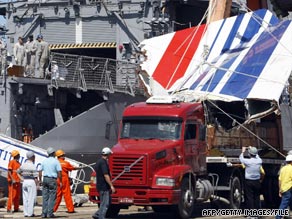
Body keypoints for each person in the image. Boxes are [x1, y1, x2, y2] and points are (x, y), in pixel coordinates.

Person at [53, 149, 82, 213]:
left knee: (58, 195)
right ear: (61, 156)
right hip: (64, 180)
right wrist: (78, 168)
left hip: (57, 180)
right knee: (67, 195)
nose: (64, 156)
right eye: (63, 155)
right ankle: (70, 209)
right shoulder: (65, 163)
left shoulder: (55, 162)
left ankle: (53, 209)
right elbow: (72, 168)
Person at [92, 147, 115, 219]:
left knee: (103, 203)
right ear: (108, 154)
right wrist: (111, 186)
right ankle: (101, 217)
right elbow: (105, 175)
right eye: (109, 155)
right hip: (104, 186)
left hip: (99, 186)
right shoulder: (103, 163)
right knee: (105, 204)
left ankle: (97, 214)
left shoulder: (98, 162)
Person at [239, 146, 262, 219]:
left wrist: (243, 151)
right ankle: (257, 214)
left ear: (249, 154)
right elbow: (257, 156)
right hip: (257, 181)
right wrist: (252, 149)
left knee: (250, 198)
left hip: (249, 181)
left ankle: (251, 215)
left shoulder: (248, 161)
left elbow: (241, 158)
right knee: (256, 197)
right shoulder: (259, 161)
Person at [39, 147, 62, 218]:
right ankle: (50, 213)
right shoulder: (56, 161)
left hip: (45, 179)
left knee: (45, 197)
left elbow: (40, 171)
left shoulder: (44, 161)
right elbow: (59, 172)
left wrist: (40, 180)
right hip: (52, 179)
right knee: (52, 197)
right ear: (53, 153)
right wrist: (60, 181)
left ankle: (44, 213)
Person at [17, 151, 39, 217]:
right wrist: (37, 185)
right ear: (32, 157)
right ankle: (30, 213)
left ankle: (26, 213)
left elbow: (18, 172)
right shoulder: (33, 166)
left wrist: (21, 178)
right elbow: (35, 177)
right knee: (31, 198)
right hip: (31, 181)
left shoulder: (23, 165)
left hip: (25, 181)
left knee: (25, 198)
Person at [276, 154, 292, 219]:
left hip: (283, 188)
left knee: (287, 203)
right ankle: (278, 217)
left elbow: (279, 180)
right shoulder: (291, 169)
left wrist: (279, 190)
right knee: (283, 204)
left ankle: (286, 215)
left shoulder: (283, 169)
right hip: (289, 189)